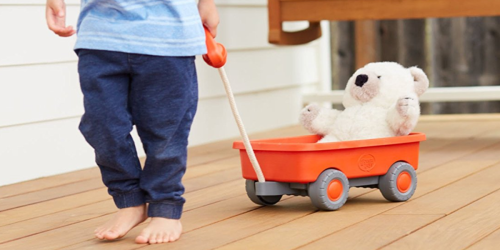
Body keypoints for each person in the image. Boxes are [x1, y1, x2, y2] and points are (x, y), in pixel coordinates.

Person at [45, 0, 219, 244]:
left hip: (169, 38)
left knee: (166, 133)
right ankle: (130, 200)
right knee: (101, 125)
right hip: (100, 37)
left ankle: (165, 206)